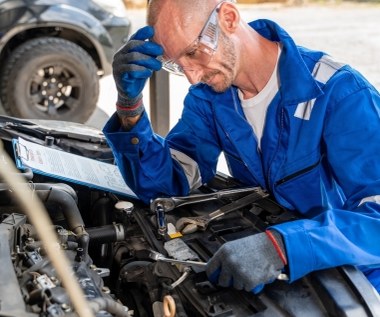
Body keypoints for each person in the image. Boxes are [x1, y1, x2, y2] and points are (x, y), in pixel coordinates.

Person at [103, 0, 380, 293]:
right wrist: (129, 108)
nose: (192, 76)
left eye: (193, 53)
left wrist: (283, 246)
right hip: (266, 270)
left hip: (355, 277)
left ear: (229, 18)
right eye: (176, 64)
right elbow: (169, 183)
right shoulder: (208, 98)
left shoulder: (339, 93)